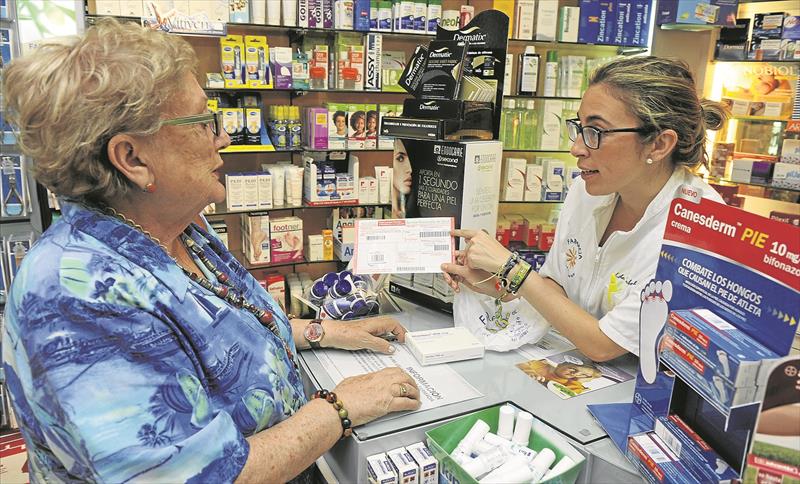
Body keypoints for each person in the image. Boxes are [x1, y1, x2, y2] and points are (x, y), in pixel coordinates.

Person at [1, 19, 420, 483]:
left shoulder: (179, 227)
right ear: (133, 159)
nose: (223, 136)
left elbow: (224, 332)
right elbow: (200, 476)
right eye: (204, 121)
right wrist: (340, 408)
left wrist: (326, 332)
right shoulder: (78, 297)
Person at [443, 57, 727, 362]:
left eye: (596, 132)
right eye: (579, 127)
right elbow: (557, 286)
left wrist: (515, 270)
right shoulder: (587, 191)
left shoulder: (698, 230)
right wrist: (497, 282)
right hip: (575, 366)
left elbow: (604, 345)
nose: (576, 147)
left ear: (658, 145)